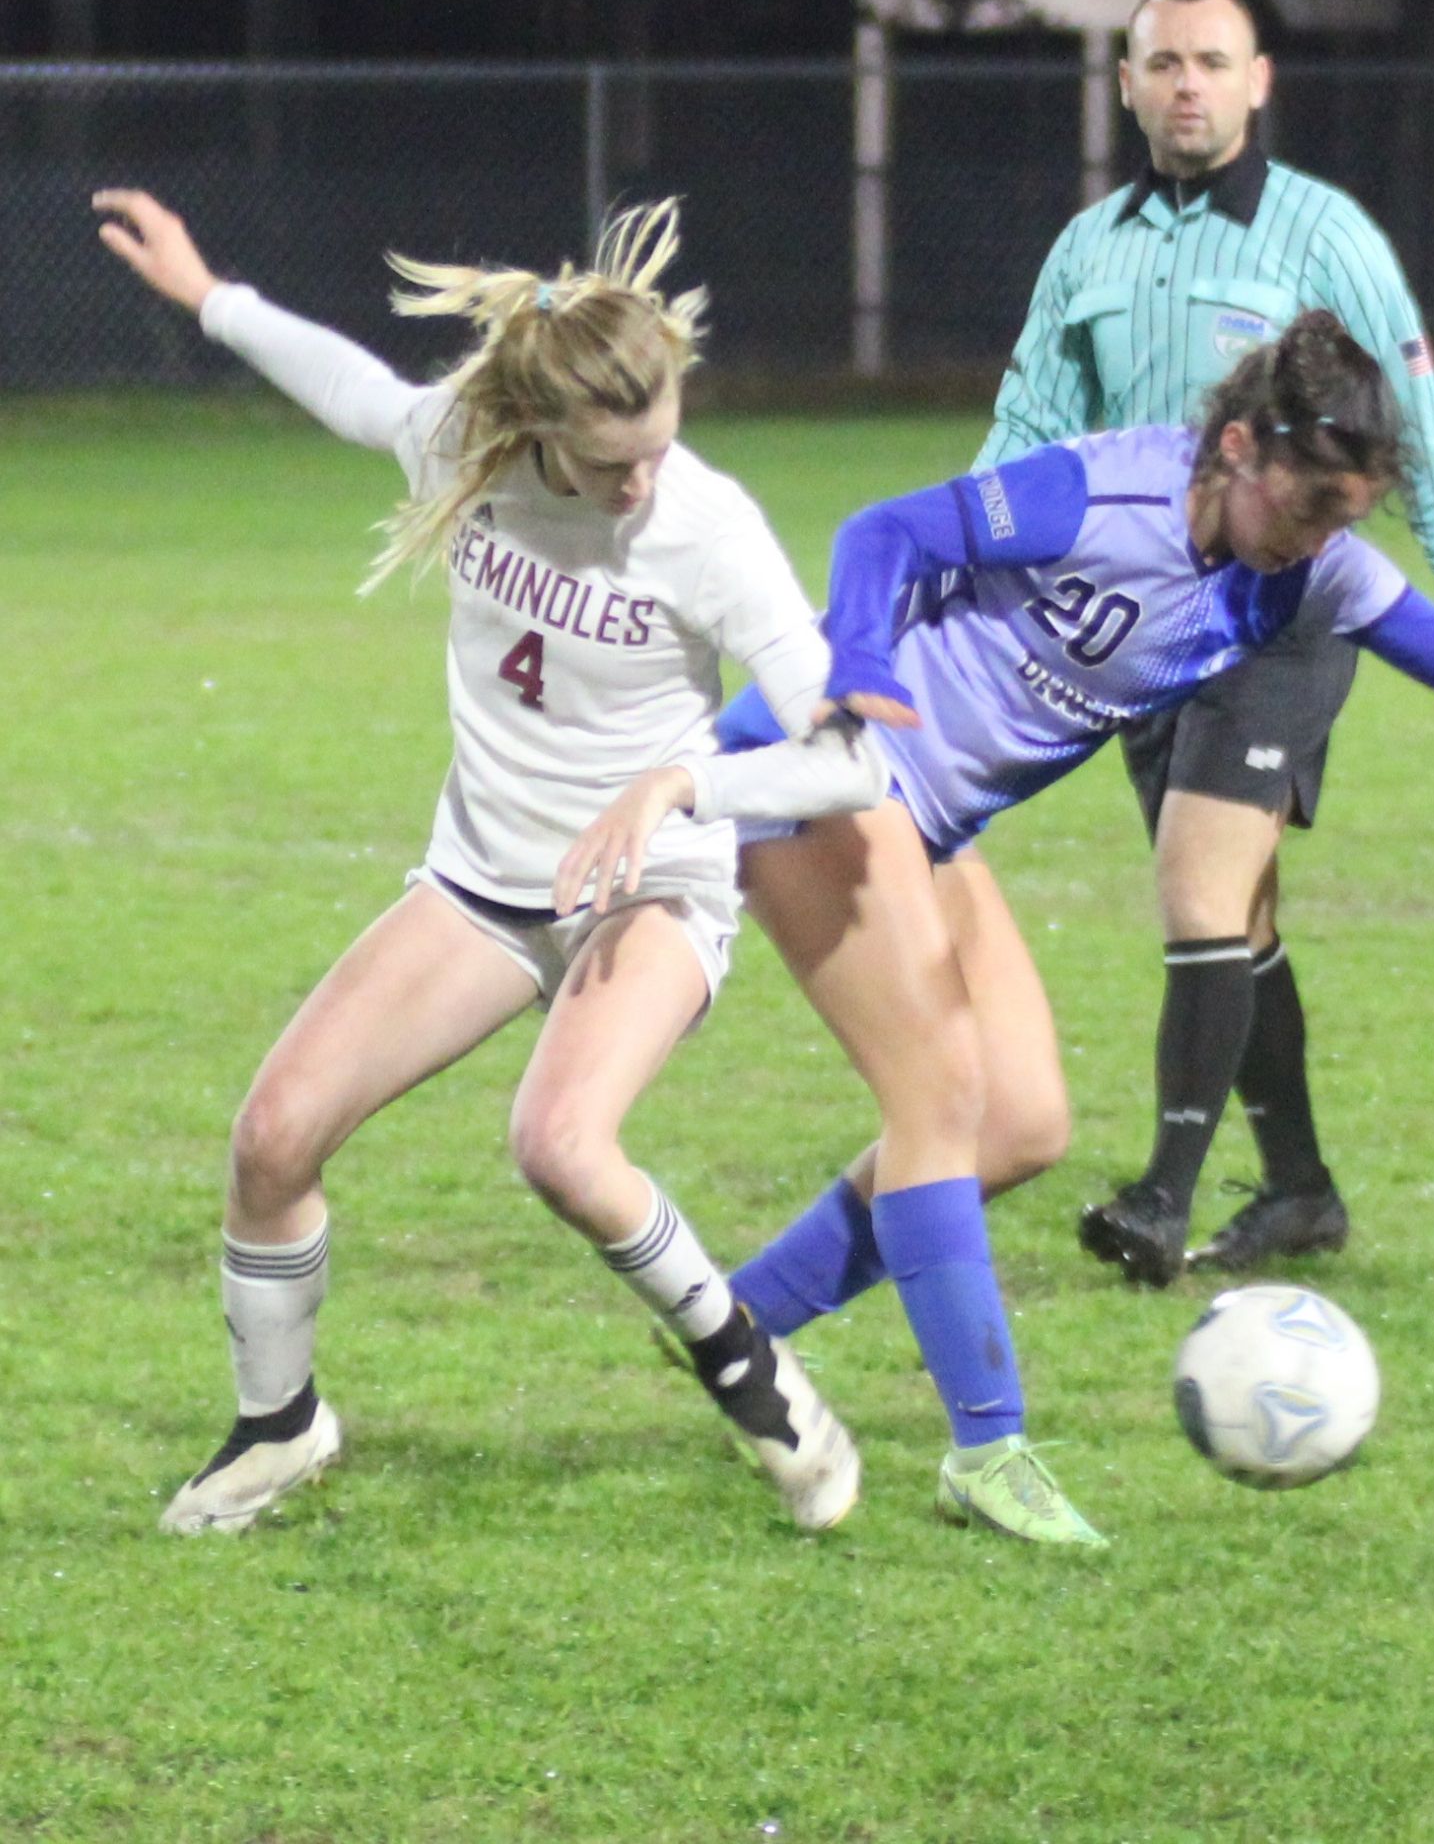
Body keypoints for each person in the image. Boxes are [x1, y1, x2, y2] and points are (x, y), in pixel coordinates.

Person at [558, 312, 1434, 1548]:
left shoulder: (1310, 566)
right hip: (825, 778)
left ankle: (731, 1321)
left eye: (1342, 519)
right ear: (1235, 447)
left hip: (929, 819)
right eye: (1305, 508)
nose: (1316, 542)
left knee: (1020, 1124)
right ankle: (987, 1448)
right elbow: (886, 531)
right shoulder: (1100, 492)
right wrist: (853, 654)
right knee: (939, 1098)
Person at [92, 186, 883, 1536]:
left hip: (653, 887)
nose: (645, 484)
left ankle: (751, 1372)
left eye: (661, 450)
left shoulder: (706, 523)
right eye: (615, 464)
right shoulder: (469, 442)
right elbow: (352, 390)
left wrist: (683, 781)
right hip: (483, 887)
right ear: (539, 432)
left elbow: (852, 761)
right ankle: (281, 1429)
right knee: (273, 1139)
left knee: (562, 1147)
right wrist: (210, 297)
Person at [977, 0, 1434, 1287]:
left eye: (1211, 62)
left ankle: (1160, 1201)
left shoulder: (1322, 235)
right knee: (1239, 913)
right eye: (1162, 63)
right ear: (1125, 82)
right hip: (1142, 627)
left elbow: (1415, 429)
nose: (1187, 86)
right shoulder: (1087, 249)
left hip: (1285, 614)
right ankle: (1299, 1191)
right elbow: (1027, 427)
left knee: (1196, 888)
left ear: (1257, 79)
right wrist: (976, 571)